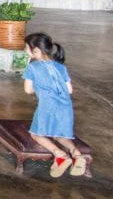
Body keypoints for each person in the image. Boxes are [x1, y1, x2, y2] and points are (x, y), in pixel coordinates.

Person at [23, 32, 86, 177]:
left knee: (36, 134)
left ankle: (59, 155)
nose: (26, 51)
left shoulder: (32, 67)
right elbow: (69, 90)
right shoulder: (60, 67)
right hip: (66, 107)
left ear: (36, 50)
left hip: (47, 107)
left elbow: (27, 90)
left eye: (27, 48)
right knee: (60, 135)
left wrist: (36, 86)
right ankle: (76, 153)